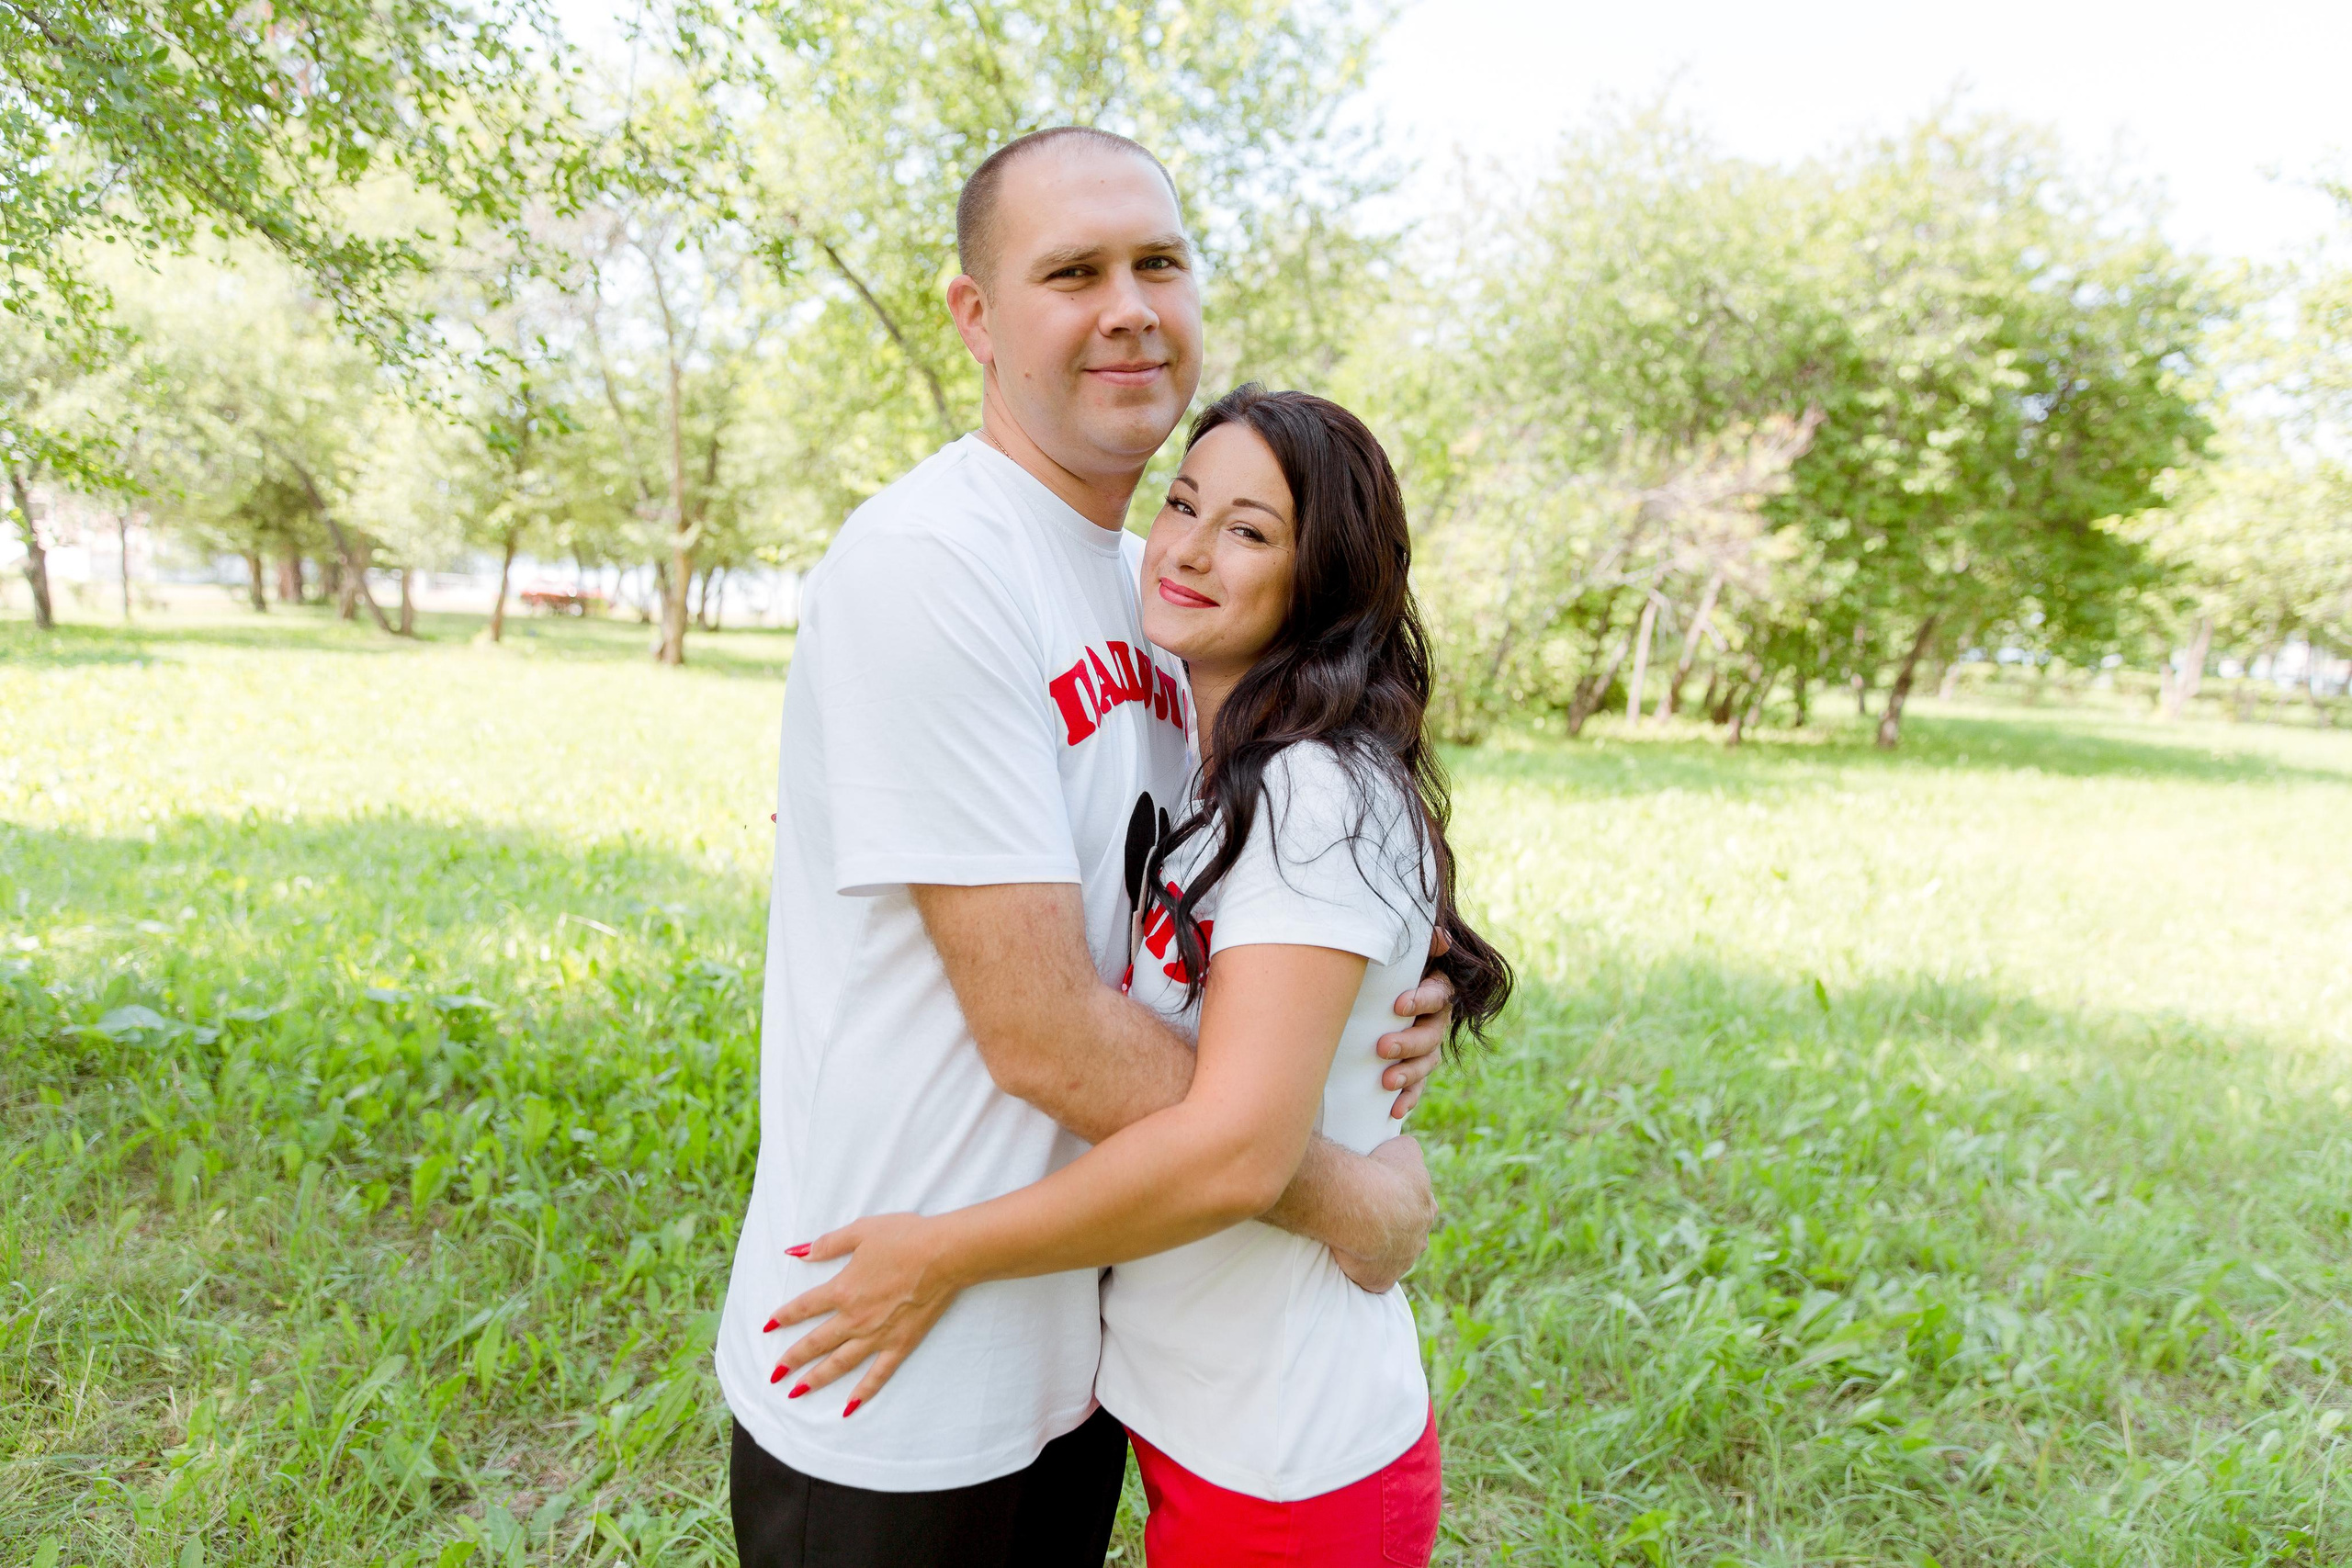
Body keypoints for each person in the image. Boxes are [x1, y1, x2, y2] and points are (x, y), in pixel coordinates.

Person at [714, 127, 1460, 1568]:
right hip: (893, 1346)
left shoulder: (1162, 591)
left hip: (1086, 1353)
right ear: (976, 318)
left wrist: (1393, 994)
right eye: (1072, 271)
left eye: (1158, 263)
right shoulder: (928, 565)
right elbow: (1046, 1034)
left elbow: (1269, 875)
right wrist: (1345, 1185)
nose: (1128, 304)